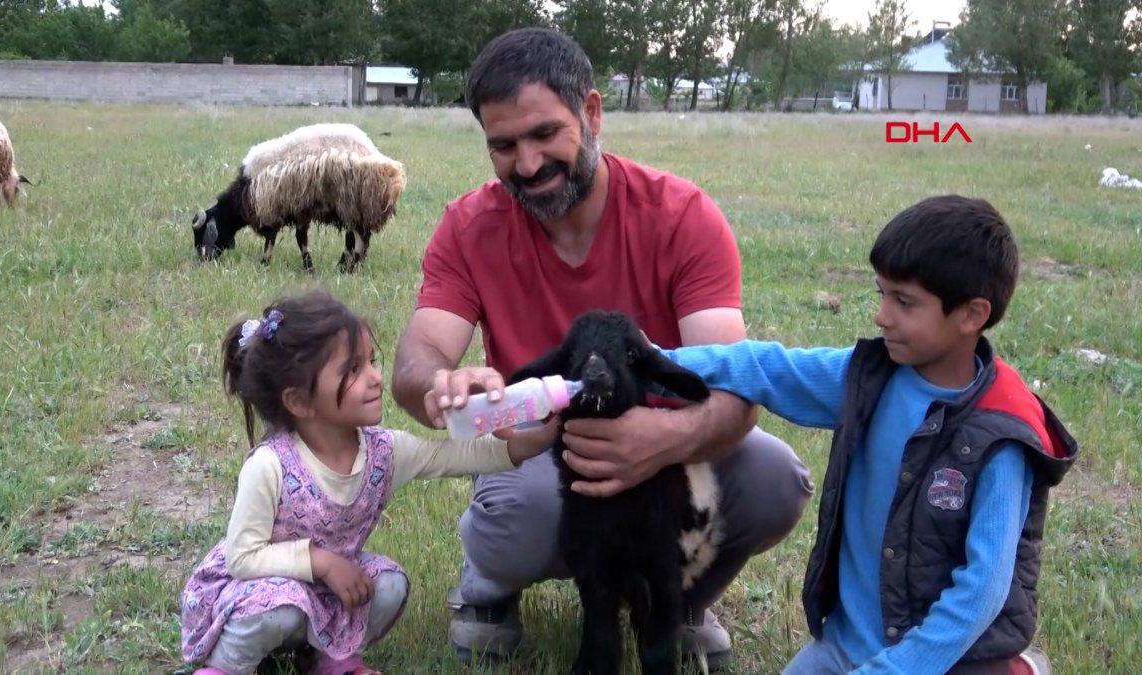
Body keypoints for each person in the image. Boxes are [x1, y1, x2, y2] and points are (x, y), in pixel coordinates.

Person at [391, 28, 813, 667]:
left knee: (775, 478)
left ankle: (674, 601)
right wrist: (440, 383)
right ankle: (489, 590)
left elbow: (735, 388)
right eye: (503, 145)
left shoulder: (682, 215)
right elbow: (417, 356)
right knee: (519, 519)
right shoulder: (468, 226)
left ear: (591, 113)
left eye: (543, 134)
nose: (527, 164)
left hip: (671, 445)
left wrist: (660, 440)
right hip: (545, 445)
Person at [663, 196, 1077, 674]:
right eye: (881, 293)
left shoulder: (1001, 435)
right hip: (843, 651)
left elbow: (981, 592)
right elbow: (763, 367)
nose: (882, 315)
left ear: (971, 315)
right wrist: (648, 360)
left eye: (904, 302)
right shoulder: (868, 379)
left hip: (946, 662)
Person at [181, 292, 556, 675]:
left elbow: (461, 456)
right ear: (299, 401)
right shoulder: (270, 465)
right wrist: (322, 562)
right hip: (257, 591)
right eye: (353, 370)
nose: (376, 377)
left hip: (325, 588)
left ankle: (332, 660)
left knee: (388, 584)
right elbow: (242, 558)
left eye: (372, 362)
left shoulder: (383, 452)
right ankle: (227, 666)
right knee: (282, 608)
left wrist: (533, 439)